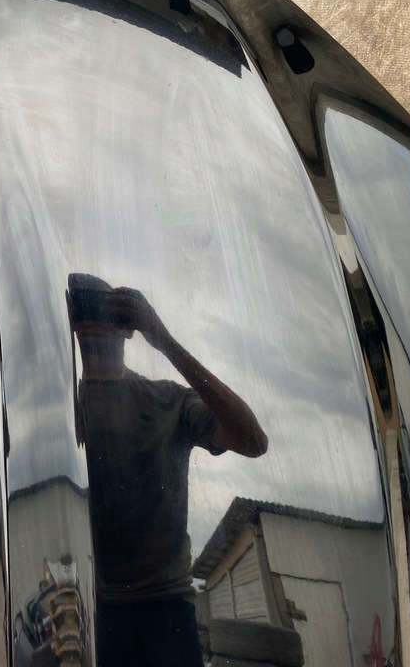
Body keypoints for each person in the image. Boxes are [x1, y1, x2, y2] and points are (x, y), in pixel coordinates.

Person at [67, 273, 267, 667]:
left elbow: (252, 440)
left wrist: (163, 339)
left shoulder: (168, 401)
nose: (93, 322)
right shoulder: (64, 410)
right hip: (94, 607)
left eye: (107, 310)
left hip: (167, 607)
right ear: (72, 324)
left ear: (127, 326)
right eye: (82, 309)